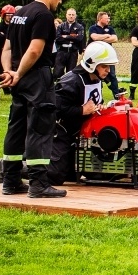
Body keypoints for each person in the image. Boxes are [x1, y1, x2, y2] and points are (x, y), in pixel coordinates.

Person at [0, 0, 67, 198]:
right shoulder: (44, 15)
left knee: (16, 128)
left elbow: (7, 48)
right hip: (35, 76)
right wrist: (18, 73)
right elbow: (36, 50)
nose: (60, 2)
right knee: (40, 128)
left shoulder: (19, 14)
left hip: (18, 76)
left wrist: (10, 72)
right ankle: (38, 184)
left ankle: (10, 181)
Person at [47, 41, 118, 185]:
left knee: (99, 173)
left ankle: (69, 168)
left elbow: (94, 102)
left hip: (82, 134)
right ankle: (12, 168)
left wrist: (100, 108)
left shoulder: (96, 78)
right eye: (104, 66)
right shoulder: (70, 82)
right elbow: (55, 110)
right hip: (61, 132)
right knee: (55, 175)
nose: (108, 70)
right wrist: (82, 110)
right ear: (92, 64)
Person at [87, 11, 122, 98]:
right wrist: (106, 36)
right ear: (100, 19)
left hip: (108, 57)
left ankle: (117, 96)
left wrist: (100, 39)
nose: (108, 20)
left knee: (112, 75)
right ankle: (98, 95)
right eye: (106, 18)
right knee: (97, 75)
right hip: (96, 57)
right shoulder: (92, 28)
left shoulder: (110, 28)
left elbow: (115, 38)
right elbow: (94, 37)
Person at [53, 8, 85, 79]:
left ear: (75, 16)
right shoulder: (61, 26)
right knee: (57, 72)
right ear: (66, 15)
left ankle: (68, 89)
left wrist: (65, 36)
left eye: (73, 15)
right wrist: (72, 38)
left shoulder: (80, 27)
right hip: (61, 52)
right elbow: (58, 38)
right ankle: (57, 88)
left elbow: (79, 38)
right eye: (69, 14)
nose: (71, 16)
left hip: (72, 52)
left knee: (70, 73)